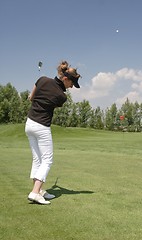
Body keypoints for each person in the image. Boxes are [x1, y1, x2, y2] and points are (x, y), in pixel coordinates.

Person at [25, 60, 81, 205]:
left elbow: (31, 98)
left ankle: (40, 190)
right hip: (42, 126)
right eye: (71, 83)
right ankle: (35, 192)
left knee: (37, 159)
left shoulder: (42, 79)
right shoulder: (62, 97)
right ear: (65, 79)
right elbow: (52, 101)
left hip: (29, 123)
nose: (71, 87)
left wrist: (34, 97)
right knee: (47, 160)